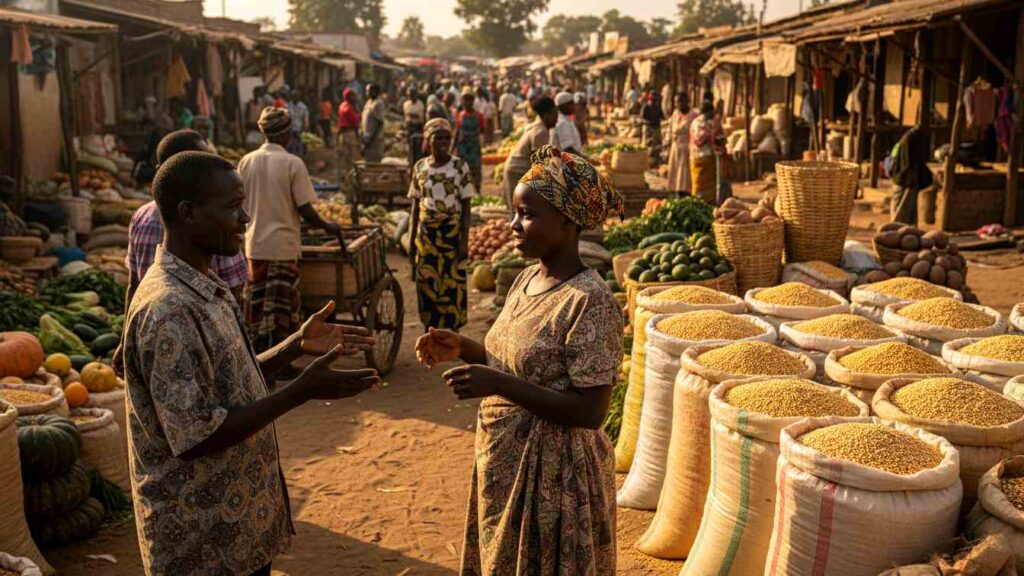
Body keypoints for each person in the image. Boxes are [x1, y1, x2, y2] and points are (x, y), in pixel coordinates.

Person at [122, 150, 378, 576]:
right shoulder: (168, 309)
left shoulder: (204, 282)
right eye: (231, 207)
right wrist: (301, 392)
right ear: (188, 213)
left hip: (237, 529)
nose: (245, 218)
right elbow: (197, 434)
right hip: (200, 539)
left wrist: (294, 345)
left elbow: (229, 381)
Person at [415, 144, 623, 576]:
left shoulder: (590, 300)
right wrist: (464, 347)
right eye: (515, 212)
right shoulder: (527, 278)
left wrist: (500, 385)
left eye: (527, 214)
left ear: (567, 221)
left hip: (554, 483)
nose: (513, 225)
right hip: (504, 467)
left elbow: (591, 410)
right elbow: (516, 359)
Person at [239, 107, 342, 352]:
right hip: (283, 247)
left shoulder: (246, 161)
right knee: (283, 309)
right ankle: (282, 361)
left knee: (258, 307)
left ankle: (261, 359)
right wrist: (328, 226)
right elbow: (305, 209)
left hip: (255, 246)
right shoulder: (292, 163)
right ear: (286, 134)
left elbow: (239, 205)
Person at [126, 129, 248, 304]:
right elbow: (236, 290)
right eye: (233, 206)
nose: (245, 217)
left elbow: (133, 284)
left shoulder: (140, 216)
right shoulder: (213, 226)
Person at [407, 119, 475, 331]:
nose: (444, 142)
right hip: (426, 235)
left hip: (451, 234)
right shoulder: (420, 167)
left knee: (451, 282)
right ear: (428, 140)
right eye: (439, 138)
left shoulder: (459, 166)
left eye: (447, 137)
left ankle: (453, 331)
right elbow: (415, 207)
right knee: (426, 282)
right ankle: (431, 329)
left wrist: (464, 241)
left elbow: (466, 208)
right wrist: (411, 241)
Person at [502, 95, 558, 208]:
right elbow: (539, 164)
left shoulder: (537, 126)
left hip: (517, 171)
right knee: (519, 211)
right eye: (555, 115)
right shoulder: (541, 132)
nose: (557, 119)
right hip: (517, 172)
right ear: (547, 115)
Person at [889, 124, 933, 224]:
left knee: (908, 212)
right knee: (900, 212)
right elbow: (907, 164)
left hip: (906, 181)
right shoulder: (909, 142)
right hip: (904, 181)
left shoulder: (908, 140)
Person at [689, 100, 728, 205]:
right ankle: (698, 204)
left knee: (711, 185)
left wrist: (719, 138)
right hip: (699, 158)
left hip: (710, 157)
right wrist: (712, 136)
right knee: (699, 185)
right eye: (712, 112)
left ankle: (710, 204)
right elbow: (699, 141)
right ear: (706, 112)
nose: (713, 114)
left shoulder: (710, 122)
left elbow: (718, 136)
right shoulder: (697, 123)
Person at [454, 87, 485, 193]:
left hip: (474, 148)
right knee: (462, 171)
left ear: (473, 101)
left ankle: (478, 191)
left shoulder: (479, 115)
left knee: (476, 171)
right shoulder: (460, 115)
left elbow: (482, 130)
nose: (467, 102)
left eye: (469, 99)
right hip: (462, 148)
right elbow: (457, 132)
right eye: (465, 99)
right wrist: (453, 147)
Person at [667, 94, 698, 195]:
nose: (678, 104)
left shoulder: (693, 116)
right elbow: (670, 129)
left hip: (686, 148)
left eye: (680, 102)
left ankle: (685, 194)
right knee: (675, 174)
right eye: (676, 102)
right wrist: (667, 142)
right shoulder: (675, 114)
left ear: (687, 101)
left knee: (684, 175)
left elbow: (695, 133)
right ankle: (676, 193)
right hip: (675, 147)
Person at [337, 88, 362, 185]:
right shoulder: (348, 108)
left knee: (345, 157)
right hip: (350, 133)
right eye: (353, 96)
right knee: (353, 157)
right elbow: (355, 121)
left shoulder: (341, 106)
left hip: (343, 134)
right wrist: (359, 114)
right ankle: (352, 180)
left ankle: (346, 178)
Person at [550, 91, 582, 156]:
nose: (574, 106)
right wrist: (584, 160)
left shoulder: (564, 119)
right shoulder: (562, 122)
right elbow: (567, 149)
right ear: (564, 105)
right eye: (571, 104)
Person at [361, 84, 387, 163]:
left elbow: (379, 123)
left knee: (374, 163)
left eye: (368, 91)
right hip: (367, 138)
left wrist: (370, 139)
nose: (367, 93)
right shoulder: (369, 102)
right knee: (367, 161)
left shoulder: (378, 104)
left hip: (375, 139)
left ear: (374, 92)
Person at [403, 87, 426, 166]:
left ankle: (417, 162)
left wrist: (412, 115)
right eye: (409, 95)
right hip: (409, 127)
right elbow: (406, 115)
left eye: (412, 95)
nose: (410, 97)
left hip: (417, 127)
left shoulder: (420, 104)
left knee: (417, 146)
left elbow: (420, 117)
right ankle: (410, 161)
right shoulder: (406, 104)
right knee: (409, 145)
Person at [287, 88, 309, 156]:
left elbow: (305, 119)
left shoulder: (303, 107)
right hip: (290, 129)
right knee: (290, 145)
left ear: (299, 96)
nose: (295, 97)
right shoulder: (288, 106)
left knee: (300, 145)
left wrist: (305, 129)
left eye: (296, 95)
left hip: (299, 129)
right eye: (293, 95)